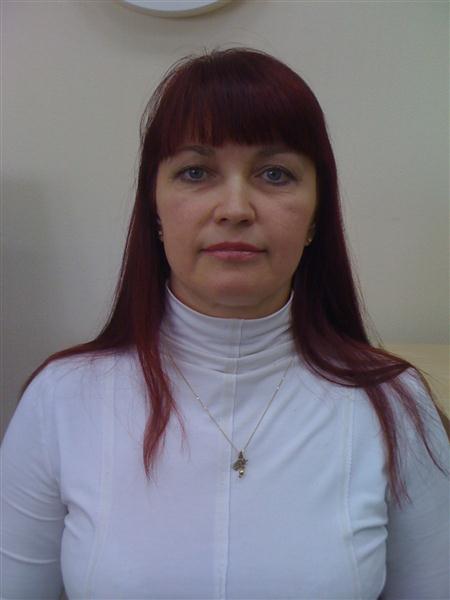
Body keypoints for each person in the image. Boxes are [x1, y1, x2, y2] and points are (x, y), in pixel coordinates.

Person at [1, 47, 449, 600]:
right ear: (154, 210)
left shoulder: (395, 407)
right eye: (196, 172)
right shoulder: (62, 400)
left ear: (316, 216)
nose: (235, 208)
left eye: (275, 174)